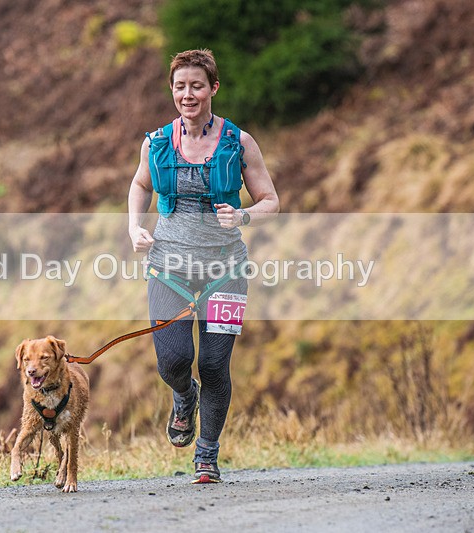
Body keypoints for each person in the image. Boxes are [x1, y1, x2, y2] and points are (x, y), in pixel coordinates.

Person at [128, 49, 280, 482]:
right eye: (180, 87)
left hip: (226, 271)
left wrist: (244, 216)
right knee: (172, 361)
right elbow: (140, 185)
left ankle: (207, 455)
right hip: (168, 268)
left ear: (213, 88)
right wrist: (135, 227)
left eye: (197, 86)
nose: (188, 95)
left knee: (214, 365)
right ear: (172, 90)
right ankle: (183, 395)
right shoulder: (156, 142)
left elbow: (271, 201)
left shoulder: (239, 142)